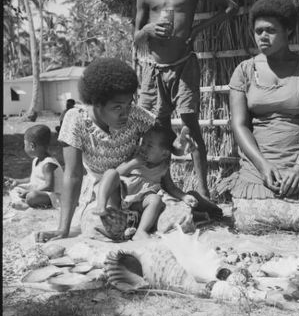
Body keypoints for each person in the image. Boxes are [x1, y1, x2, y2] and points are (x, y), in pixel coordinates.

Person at [218, 0, 299, 233]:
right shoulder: (244, 71)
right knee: (248, 221)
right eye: (258, 30)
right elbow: (239, 125)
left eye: (270, 30)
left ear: (288, 31)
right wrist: (263, 166)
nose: (262, 36)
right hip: (258, 163)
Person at [134, 0, 239, 200]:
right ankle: (157, 186)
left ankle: (203, 192)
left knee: (191, 126)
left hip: (184, 65)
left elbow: (232, 7)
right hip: (154, 69)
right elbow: (136, 37)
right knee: (153, 130)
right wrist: (148, 30)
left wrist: (197, 30)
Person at [35, 58, 162, 243]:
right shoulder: (76, 120)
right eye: (117, 107)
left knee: (174, 215)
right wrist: (63, 229)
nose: (126, 113)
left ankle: (137, 223)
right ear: (96, 103)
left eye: (129, 104)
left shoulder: (135, 115)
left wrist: (181, 145)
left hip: (135, 190)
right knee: (95, 225)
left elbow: (162, 138)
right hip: (102, 194)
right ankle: (135, 224)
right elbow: (73, 175)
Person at [94, 124, 199, 241]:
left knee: (156, 200)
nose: (143, 148)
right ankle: (102, 206)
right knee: (110, 173)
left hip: (140, 203)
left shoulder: (163, 167)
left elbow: (170, 187)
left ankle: (141, 231)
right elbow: (118, 173)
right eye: (143, 143)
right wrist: (133, 163)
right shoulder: (134, 156)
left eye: (149, 146)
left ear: (164, 154)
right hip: (121, 197)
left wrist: (183, 196)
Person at [7, 124, 63, 210]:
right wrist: (17, 181)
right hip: (38, 189)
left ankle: (25, 203)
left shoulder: (48, 164)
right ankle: (22, 201)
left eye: (25, 144)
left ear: (32, 146)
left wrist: (30, 192)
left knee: (32, 196)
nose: (24, 147)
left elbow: (49, 186)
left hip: (51, 195)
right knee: (15, 189)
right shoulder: (36, 160)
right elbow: (32, 179)